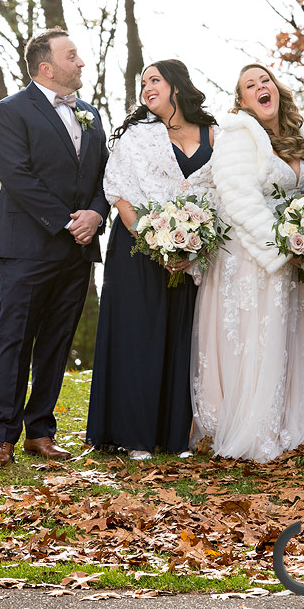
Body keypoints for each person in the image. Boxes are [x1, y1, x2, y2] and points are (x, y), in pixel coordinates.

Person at [190, 64, 304, 462]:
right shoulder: (238, 135)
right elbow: (239, 198)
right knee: (262, 337)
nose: (261, 87)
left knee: (300, 335)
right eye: (250, 86)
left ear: (276, 88)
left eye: (265, 80)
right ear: (242, 101)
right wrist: (281, 248)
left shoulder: (298, 132)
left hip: (299, 251)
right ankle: (259, 427)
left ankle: (302, 423)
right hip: (255, 256)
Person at [0, 29, 109, 469]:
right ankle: (2, 436)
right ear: (46, 67)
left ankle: (41, 431)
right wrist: (66, 222)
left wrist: (95, 214)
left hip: (77, 251)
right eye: (71, 56)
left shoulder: (91, 115)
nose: (80, 63)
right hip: (26, 248)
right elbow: (17, 176)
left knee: (56, 342)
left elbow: (102, 179)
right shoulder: (11, 111)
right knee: (15, 340)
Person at [86, 60, 215, 459]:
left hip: (192, 254)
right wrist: (156, 241)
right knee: (138, 338)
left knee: (180, 339)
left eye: (154, 80)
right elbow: (119, 190)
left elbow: (221, 193)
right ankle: (133, 433)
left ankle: (174, 435)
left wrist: (190, 245)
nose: (146, 88)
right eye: (142, 83)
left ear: (177, 86)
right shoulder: (136, 137)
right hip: (138, 251)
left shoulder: (215, 133)